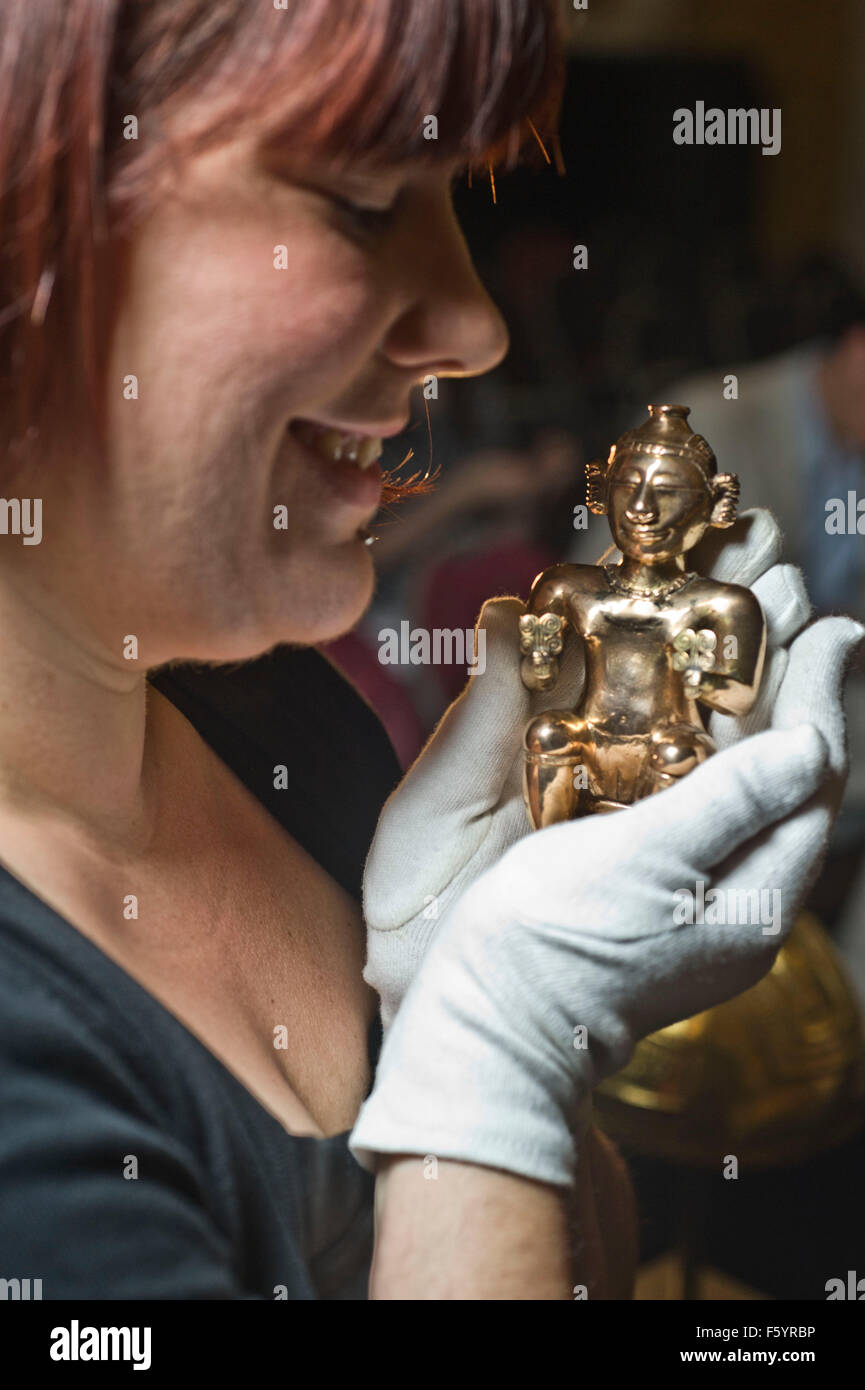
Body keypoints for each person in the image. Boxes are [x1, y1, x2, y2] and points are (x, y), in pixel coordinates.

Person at [0, 0, 858, 1304]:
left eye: (459, 198)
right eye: (361, 199)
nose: (474, 324)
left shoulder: (279, 715)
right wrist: (488, 1054)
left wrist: (460, 1005)